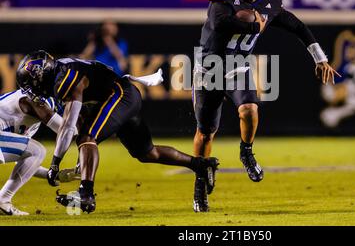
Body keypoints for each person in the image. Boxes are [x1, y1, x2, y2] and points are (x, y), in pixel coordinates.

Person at [192, 0, 340, 212]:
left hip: (237, 66)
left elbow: (296, 25)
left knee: (249, 109)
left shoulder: (270, 0)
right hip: (209, 67)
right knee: (205, 133)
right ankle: (200, 183)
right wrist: (255, 27)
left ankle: (246, 151)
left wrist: (320, 57)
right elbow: (219, 22)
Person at [16, 51, 219, 213]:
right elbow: (78, 118)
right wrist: (80, 162)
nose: (32, 90)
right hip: (120, 96)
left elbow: (69, 126)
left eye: (31, 83)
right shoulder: (61, 72)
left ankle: (86, 194)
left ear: (41, 75)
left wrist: (55, 163)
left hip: (120, 95)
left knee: (87, 137)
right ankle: (200, 165)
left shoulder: (64, 79)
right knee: (147, 153)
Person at [0, 90, 79, 216]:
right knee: (38, 150)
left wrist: (55, 175)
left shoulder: (33, 120)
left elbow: (26, 163)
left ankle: (3, 201)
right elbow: (69, 131)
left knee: (35, 151)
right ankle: (3, 200)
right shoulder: (31, 99)